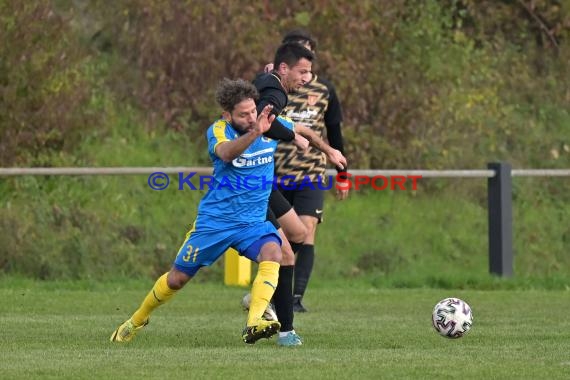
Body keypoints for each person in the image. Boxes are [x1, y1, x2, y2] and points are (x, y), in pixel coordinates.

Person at [110, 78, 289, 345]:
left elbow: (300, 131)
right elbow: (227, 154)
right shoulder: (218, 131)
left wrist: (330, 150)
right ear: (227, 115)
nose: (252, 118)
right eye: (244, 114)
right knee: (177, 279)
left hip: (251, 223)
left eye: (253, 111)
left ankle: (254, 322)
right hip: (215, 223)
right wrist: (255, 133)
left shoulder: (267, 124)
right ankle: (136, 320)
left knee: (274, 252)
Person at [240, 42, 347, 346]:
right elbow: (262, 124)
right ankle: (283, 328)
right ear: (283, 68)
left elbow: (300, 128)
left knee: (299, 234)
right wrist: (290, 136)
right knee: (285, 252)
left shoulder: (268, 84)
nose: (307, 77)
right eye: (302, 71)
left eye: (310, 72)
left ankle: (268, 293)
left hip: (265, 184)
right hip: (248, 186)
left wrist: (328, 150)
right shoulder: (275, 92)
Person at [275, 30, 349, 313]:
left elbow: (335, 134)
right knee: (278, 236)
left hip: (311, 174)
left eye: (309, 59)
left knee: (306, 231)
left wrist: (343, 174)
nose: (305, 72)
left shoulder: (324, 90)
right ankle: (271, 286)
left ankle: (294, 299)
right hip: (275, 173)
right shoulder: (272, 87)